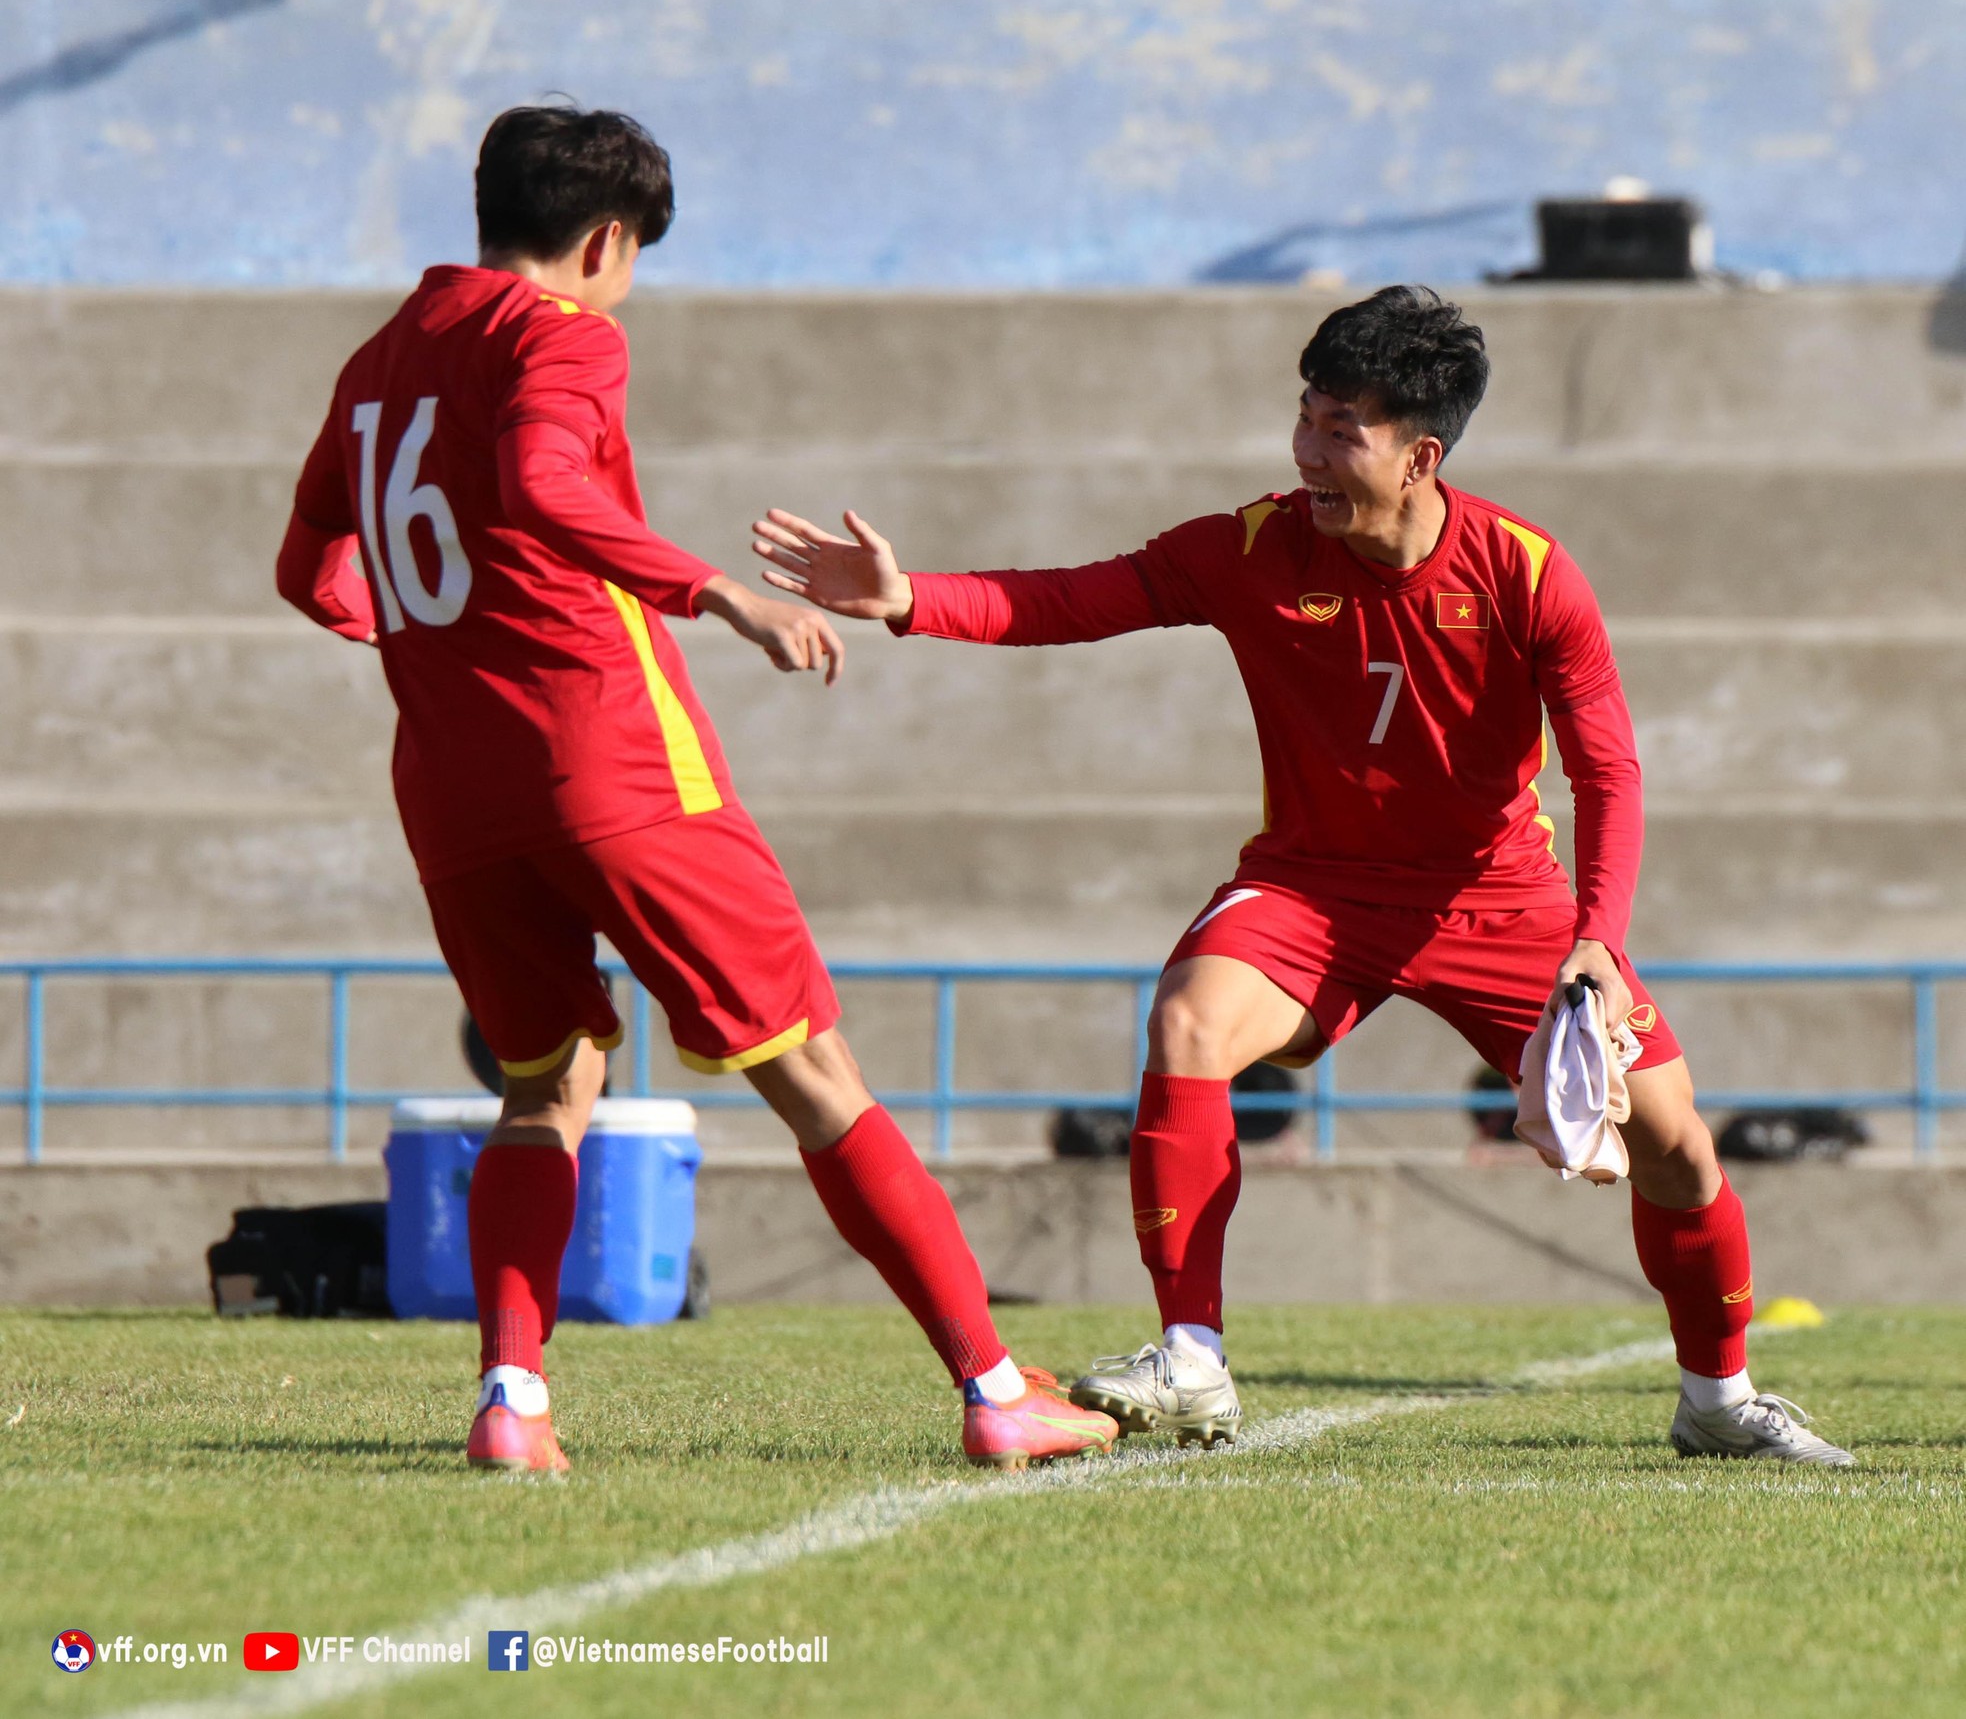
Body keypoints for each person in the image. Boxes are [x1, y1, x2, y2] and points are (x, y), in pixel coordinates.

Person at [752, 285, 1852, 1467]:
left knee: (1678, 1147)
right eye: (1305, 419)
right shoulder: (1246, 548)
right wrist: (913, 601)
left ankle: (1720, 1398)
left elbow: (1610, 771)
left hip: (1499, 896)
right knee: (1188, 1020)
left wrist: (1599, 935)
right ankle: (1191, 1360)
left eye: (1344, 431)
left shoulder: (1531, 576)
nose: (1310, 453)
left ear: (1421, 454)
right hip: (1312, 888)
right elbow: (1072, 599)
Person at [275, 103, 1115, 1476]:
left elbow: (309, 564)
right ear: (605, 241)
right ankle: (992, 1383)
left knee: (547, 1086)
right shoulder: (560, 334)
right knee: (814, 1071)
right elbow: (543, 482)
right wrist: (713, 590)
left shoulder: (379, 361)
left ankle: (512, 1399)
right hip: (608, 764)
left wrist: (406, 639)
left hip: (451, 790)